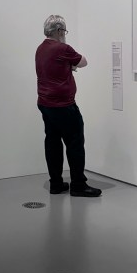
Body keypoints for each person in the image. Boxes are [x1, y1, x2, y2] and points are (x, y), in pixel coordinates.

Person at [35, 15, 101, 197]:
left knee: (53, 143)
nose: (64, 34)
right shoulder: (62, 48)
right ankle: (78, 184)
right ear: (59, 31)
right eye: (64, 31)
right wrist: (70, 65)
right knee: (75, 143)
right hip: (63, 105)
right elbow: (83, 62)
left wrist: (66, 66)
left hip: (45, 104)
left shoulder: (40, 49)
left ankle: (56, 183)